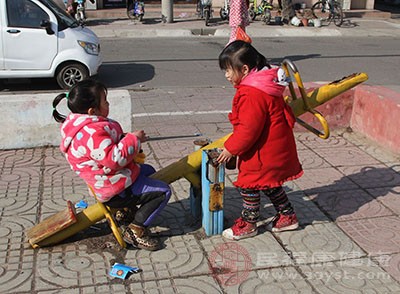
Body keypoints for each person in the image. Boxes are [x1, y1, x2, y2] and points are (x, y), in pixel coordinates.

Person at [52, 79, 171, 251]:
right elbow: (114, 159)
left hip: (107, 178)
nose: (108, 104)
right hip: (114, 187)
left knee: (149, 171)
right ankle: (136, 230)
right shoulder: (91, 133)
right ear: (92, 110)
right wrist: (133, 139)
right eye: (105, 101)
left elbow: (104, 148)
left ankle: (126, 210)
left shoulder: (79, 126)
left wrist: (124, 139)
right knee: (163, 191)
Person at [217, 40, 303, 240]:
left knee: (250, 185)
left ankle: (249, 223)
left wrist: (231, 149)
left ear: (244, 69)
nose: (227, 76)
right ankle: (287, 216)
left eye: (228, 70)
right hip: (274, 147)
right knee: (270, 183)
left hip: (262, 152)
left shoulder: (252, 93)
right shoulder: (265, 83)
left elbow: (248, 130)